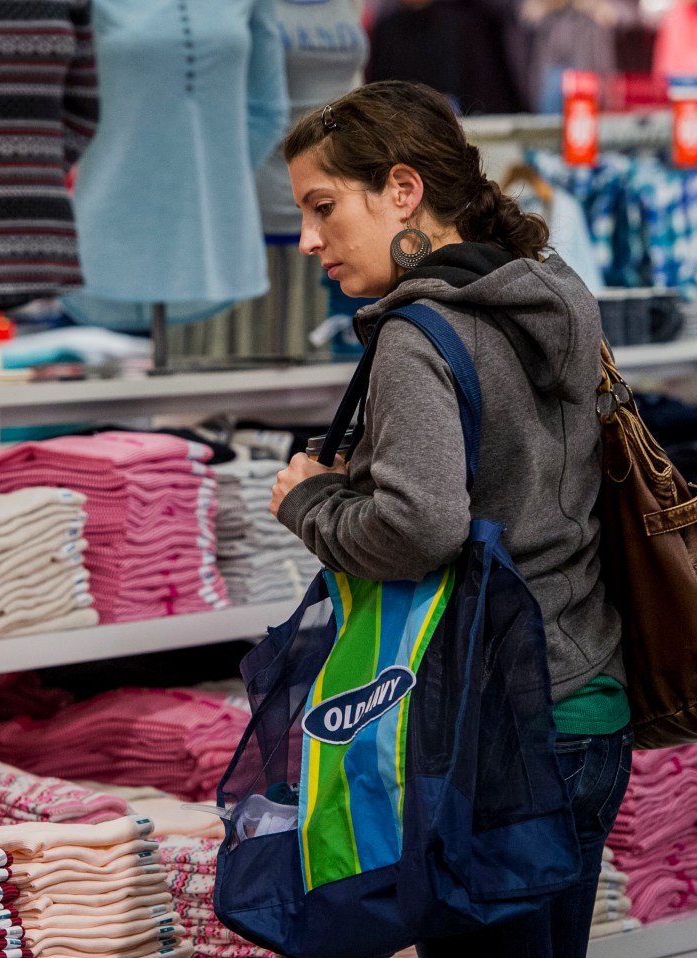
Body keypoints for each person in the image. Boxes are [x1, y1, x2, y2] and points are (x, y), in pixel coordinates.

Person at [269, 80, 629, 958]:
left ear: (403, 190)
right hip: (589, 708)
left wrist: (308, 502)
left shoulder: (419, 333)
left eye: (323, 207)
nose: (309, 239)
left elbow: (421, 527)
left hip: (493, 731)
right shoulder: (549, 297)